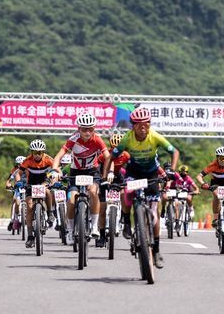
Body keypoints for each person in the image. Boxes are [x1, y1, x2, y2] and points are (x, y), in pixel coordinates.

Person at [107, 107, 179, 269]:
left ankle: (157, 251)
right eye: (138, 124)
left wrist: (172, 170)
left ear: (149, 124)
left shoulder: (155, 137)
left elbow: (174, 152)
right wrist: (107, 176)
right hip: (133, 173)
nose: (142, 127)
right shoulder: (127, 138)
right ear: (133, 126)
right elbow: (112, 157)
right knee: (127, 192)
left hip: (151, 174)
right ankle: (126, 221)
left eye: (146, 124)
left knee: (154, 214)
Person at [52, 113, 112, 247]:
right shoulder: (73, 139)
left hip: (92, 171)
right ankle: (70, 230)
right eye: (84, 129)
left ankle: (95, 226)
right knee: (72, 199)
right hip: (75, 171)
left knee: (93, 192)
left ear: (94, 128)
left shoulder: (97, 139)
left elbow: (108, 157)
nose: (87, 132)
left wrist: (108, 172)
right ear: (78, 129)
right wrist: (55, 170)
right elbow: (58, 157)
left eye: (90, 128)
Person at [15, 139, 55, 248]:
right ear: (31, 152)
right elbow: (19, 173)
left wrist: (54, 178)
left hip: (43, 181)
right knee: (29, 208)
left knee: (47, 191)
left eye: (39, 152)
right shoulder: (27, 160)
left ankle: (50, 212)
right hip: (31, 183)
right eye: (34, 152)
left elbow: (57, 170)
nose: (37, 155)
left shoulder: (48, 159)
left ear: (43, 152)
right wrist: (18, 182)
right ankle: (30, 237)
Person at [96, 132, 129, 247]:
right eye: (114, 149)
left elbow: (131, 168)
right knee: (102, 208)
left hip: (118, 177)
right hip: (104, 177)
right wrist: (99, 178)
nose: (117, 152)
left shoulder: (126, 155)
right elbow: (96, 167)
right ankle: (101, 235)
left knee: (124, 194)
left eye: (119, 149)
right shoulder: (104, 155)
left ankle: (125, 218)